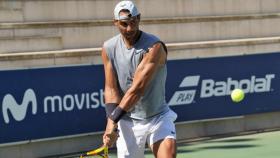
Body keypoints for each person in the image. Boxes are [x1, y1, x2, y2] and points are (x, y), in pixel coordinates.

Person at [101, 1, 177, 158]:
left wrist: (114, 119)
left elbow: (137, 89)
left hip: (158, 117)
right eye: (124, 24)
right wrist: (111, 121)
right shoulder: (108, 48)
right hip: (128, 122)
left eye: (133, 21)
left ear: (139, 18)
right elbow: (111, 89)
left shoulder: (154, 47)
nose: (130, 28)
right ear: (115, 22)